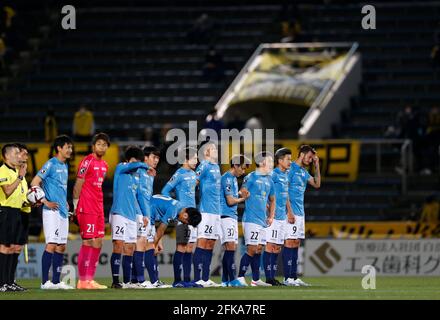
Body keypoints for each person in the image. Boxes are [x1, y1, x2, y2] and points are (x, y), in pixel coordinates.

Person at [30, 135, 74, 290]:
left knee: (61, 246)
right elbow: (34, 182)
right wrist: (44, 201)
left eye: (71, 147)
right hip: (51, 211)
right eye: (67, 147)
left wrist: (65, 202)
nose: (70, 150)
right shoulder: (50, 164)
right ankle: (44, 282)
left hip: (62, 211)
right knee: (52, 244)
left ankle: (56, 282)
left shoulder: (65, 165)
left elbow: (60, 188)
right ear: (59, 148)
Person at [109, 146, 151, 289]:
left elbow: (139, 196)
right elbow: (136, 165)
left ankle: (126, 282)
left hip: (132, 216)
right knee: (118, 246)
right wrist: (145, 164)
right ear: (128, 160)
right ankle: (115, 281)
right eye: (134, 161)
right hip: (119, 213)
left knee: (129, 248)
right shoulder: (121, 168)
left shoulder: (136, 177)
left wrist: (145, 214)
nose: (136, 164)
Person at [73, 133, 110, 290]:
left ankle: (90, 279)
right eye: (99, 144)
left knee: (98, 242)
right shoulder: (87, 161)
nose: (102, 147)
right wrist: (75, 207)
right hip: (86, 206)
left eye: (104, 144)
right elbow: (78, 184)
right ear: (93, 146)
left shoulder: (105, 165)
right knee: (87, 241)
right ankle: (82, 280)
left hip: (98, 207)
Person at [161, 147, 199, 288]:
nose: (196, 161)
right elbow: (165, 191)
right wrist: (176, 208)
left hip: (193, 216)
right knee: (182, 247)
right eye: (194, 158)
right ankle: (177, 281)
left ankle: (187, 280)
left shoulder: (193, 174)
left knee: (190, 247)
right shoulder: (179, 174)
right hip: (183, 216)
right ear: (185, 159)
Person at [237, 151, 275, 287]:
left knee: (259, 249)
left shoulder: (270, 180)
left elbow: (272, 199)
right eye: (270, 161)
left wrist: (271, 216)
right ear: (262, 162)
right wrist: (243, 192)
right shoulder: (251, 177)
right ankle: (240, 277)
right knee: (252, 249)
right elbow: (243, 189)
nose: (272, 164)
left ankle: (255, 279)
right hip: (251, 219)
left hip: (262, 220)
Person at [284, 145, 321, 286]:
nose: (311, 160)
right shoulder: (291, 168)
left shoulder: (304, 172)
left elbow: (317, 184)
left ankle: (293, 277)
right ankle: (287, 278)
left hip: (300, 213)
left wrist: (317, 165)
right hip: (291, 212)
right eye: (310, 157)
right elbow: (284, 190)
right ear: (302, 154)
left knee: (296, 243)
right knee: (289, 242)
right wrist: (289, 211)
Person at [193, 141, 222, 287]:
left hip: (216, 212)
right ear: (206, 152)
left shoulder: (217, 167)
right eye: (213, 149)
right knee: (202, 242)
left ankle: (205, 278)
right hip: (205, 210)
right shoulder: (203, 165)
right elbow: (193, 182)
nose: (216, 151)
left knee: (211, 243)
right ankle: (198, 278)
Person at [265, 148, 294, 286]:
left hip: (282, 216)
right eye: (288, 159)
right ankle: (268, 278)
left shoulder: (286, 174)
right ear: (280, 160)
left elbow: (285, 195)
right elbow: (265, 191)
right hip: (274, 216)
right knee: (270, 246)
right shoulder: (273, 174)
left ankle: (273, 277)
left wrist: (290, 212)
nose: (290, 161)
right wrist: (268, 210)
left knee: (277, 247)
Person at [130, 146, 159, 287]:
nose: (156, 160)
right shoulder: (141, 172)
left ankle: (136, 279)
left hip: (143, 213)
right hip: (139, 212)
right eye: (154, 157)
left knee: (144, 244)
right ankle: (139, 280)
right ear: (145, 158)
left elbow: (147, 197)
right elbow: (141, 195)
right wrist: (145, 215)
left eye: (158, 158)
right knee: (140, 243)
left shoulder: (149, 174)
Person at [0, 143, 27, 292]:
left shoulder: (17, 172)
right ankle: (2, 282)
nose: (19, 156)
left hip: (17, 211)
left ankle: (10, 281)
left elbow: (19, 194)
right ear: (7, 156)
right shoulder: (2, 171)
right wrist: (20, 177)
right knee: (4, 247)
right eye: (16, 153)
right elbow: (8, 191)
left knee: (14, 248)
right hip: (5, 211)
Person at [219, 154, 249, 287]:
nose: (243, 171)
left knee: (231, 248)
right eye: (242, 168)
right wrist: (243, 199)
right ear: (235, 166)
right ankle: (232, 279)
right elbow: (230, 201)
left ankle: (225, 280)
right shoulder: (227, 179)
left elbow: (232, 196)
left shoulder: (233, 179)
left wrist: (239, 194)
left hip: (231, 216)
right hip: (226, 216)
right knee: (230, 247)